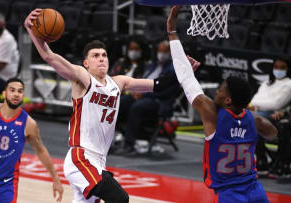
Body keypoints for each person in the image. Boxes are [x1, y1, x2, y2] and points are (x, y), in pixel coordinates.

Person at [24, 9, 195, 203]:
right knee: (119, 198)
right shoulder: (82, 78)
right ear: (86, 63)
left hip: (99, 160)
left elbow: (159, 85)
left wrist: (185, 71)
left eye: (104, 55)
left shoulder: (119, 82)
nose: (101, 58)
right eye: (95, 55)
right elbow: (50, 57)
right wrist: (32, 31)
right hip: (81, 157)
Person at [168, 6, 277, 203]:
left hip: (230, 194)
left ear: (228, 100)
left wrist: (172, 30)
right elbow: (272, 133)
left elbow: (186, 79)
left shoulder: (213, 115)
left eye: (221, 90)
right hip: (255, 191)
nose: (217, 91)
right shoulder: (255, 120)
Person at [0, 78, 63, 202]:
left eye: (20, 91)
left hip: (6, 184)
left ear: (23, 96)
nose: (16, 94)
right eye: (12, 90)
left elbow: (41, 151)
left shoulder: (29, 123)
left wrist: (56, 179)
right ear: (4, 94)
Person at [117, 40, 180, 155]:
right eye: (160, 51)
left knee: (136, 107)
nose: (161, 54)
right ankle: (111, 137)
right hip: (143, 95)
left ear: (170, 53)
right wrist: (135, 90)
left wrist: (143, 93)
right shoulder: (152, 65)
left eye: (165, 51)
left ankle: (129, 144)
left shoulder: (173, 69)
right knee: (120, 102)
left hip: (159, 100)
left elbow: (165, 91)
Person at [248, 59, 291, 173]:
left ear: (288, 69)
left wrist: (255, 106)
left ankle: (262, 158)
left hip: (276, 114)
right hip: (260, 111)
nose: (278, 70)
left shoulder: (290, 84)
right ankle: (262, 156)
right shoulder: (267, 82)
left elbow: (276, 103)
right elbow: (255, 99)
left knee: (251, 121)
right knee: (239, 116)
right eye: (276, 67)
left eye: (282, 68)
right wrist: (253, 106)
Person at [268, 63, 291, 179]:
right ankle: (264, 161)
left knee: (283, 126)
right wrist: (283, 113)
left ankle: (284, 164)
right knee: (264, 123)